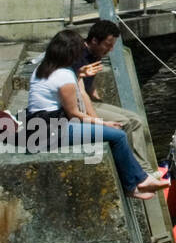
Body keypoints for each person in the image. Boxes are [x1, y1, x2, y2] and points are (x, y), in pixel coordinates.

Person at [26, 29, 168, 201]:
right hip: (52, 131)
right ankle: (134, 186)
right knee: (118, 136)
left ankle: (140, 180)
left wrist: (79, 75)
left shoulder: (43, 69)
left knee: (116, 132)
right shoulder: (64, 76)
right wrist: (102, 123)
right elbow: (75, 115)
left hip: (36, 128)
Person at [72, 20, 156, 173]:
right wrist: (97, 120)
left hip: (89, 101)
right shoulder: (78, 56)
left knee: (136, 119)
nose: (110, 50)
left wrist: (95, 93)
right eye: (108, 45)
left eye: (112, 46)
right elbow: (80, 91)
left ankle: (145, 169)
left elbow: (88, 85)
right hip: (79, 107)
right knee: (125, 122)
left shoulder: (96, 53)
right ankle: (136, 170)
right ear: (94, 40)